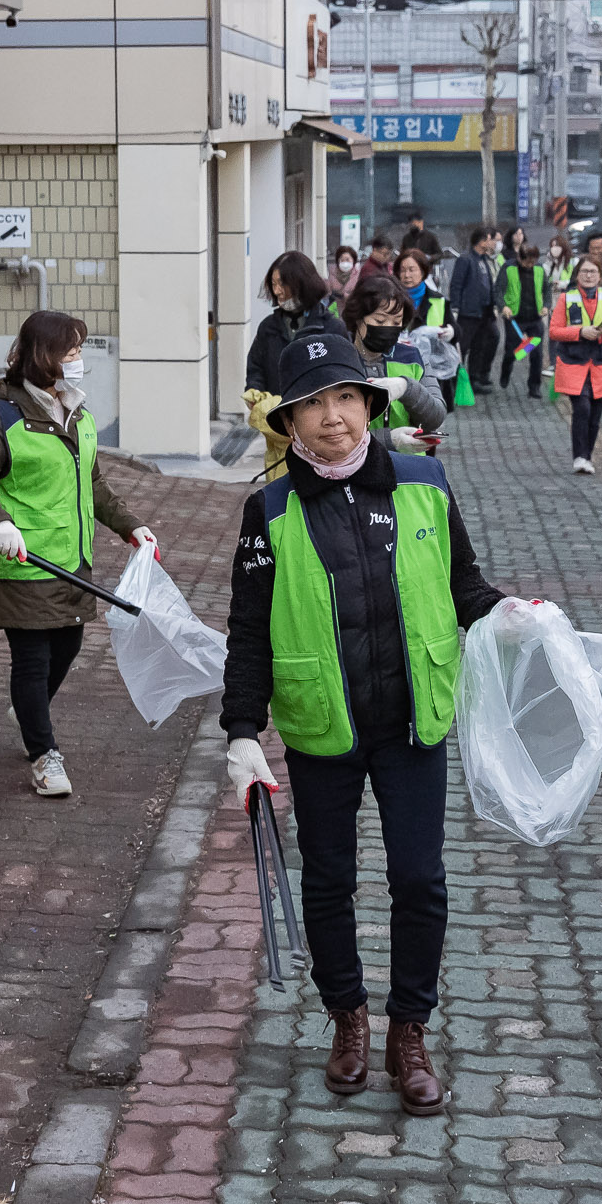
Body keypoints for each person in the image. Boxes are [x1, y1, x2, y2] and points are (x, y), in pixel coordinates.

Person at [220, 333, 542, 1117]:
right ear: (289, 422)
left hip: (411, 721)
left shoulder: (426, 482)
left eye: (345, 398)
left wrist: (506, 611)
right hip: (321, 726)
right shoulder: (268, 509)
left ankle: (409, 1031)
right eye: (313, 405)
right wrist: (239, 731)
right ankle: (347, 1020)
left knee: (419, 879)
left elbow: (463, 583)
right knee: (328, 879)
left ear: (369, 404)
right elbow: (250, 630)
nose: (333, 417)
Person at [0, 311, 156, 796]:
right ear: (45, 356)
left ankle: (30, 711)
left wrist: (131, 527)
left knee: (67, 646)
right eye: (71, 353)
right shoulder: (2, 416)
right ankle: (43, 754)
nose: (78, 362)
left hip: (71, 562)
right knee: (31, 660)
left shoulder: (76, 413)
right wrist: (0, 523)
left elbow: (91, 481)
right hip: (24, 562)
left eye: (79, 352)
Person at [341, 275, 448, 450]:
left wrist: (407, 388)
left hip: (411, 470)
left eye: (396, 322)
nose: (388, 327)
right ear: (359, 318)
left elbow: (436, 417)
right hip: (355, 471)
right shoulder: (340, 361)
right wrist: (388, 440)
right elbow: (333, 434)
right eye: (380, 321)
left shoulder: (413, 358)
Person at [550, 254, 602, 473]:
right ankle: (580, 457)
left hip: (600, 364)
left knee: (595, 414)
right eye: (584, 272)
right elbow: (555, 330)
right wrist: (581, 332)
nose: (589, 276)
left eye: (593, 272)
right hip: (574, 364)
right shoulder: (567, 298)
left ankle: (587, 456)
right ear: (577, 275)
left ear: (600, 275)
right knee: (581, 408)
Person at [247, 251, 340, 395]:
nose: (277, 291)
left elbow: (341, 375)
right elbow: (256, 368)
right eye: (273, 284)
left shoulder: (331, 328)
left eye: (282, 284)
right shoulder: (268, 328)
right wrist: (255, 390)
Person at [447, 228, 502, 395]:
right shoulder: (466, 259)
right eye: (491, 239)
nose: (494, 243)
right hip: (468, 312)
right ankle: (455, 381)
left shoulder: (484, 259)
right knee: (462, 347)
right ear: (482, 241)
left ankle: (475, 378)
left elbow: (489, 284)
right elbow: (456, 284)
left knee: (481, 344)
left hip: (484, 311)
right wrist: (455, 307)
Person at [499, 244, 550, 398]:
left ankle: (534, 387)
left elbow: (546, 290)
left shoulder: (540, 269)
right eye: (527, 262)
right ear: (519, 258)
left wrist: (547, 306)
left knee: (537, 354)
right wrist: (503, 306)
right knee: (513, 351)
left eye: (533, 262)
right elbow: (498, 290)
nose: (530, 265)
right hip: (515, 319)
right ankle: (506, 369)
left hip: (535, 319)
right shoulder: (508, 268)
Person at [394, 249, 449, 342]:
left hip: (431, 353)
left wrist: (450, 332)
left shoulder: (438, 299)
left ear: (423, 272)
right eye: (402, 270)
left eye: (411, 270)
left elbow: (454, 329)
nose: (407, 275)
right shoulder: (391, 299)